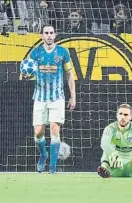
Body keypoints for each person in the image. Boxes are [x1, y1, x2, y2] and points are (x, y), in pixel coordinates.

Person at [29, 25, 76, 173]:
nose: (49, 35)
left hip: (57, 98)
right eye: (46, 33)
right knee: (38, 133)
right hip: (40, 97)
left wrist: (73, 96)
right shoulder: (35, 53)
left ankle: (53, 167)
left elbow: (69, 74)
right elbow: (29, 71)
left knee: (55, 130)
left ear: (55, 35)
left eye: (51, 33)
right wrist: (26, 73)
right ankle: (43, 155)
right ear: (41, 35)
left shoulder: (63, 52)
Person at [97, 104, 132, 178]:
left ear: (131, 117)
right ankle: (104, 168)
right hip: (116, 164)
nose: (122, 117)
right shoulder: (110, 128)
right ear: (117, 115)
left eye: (126, 115)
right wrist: (113, 153)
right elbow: (104, 143)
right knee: (106, 150)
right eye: (120, 114)